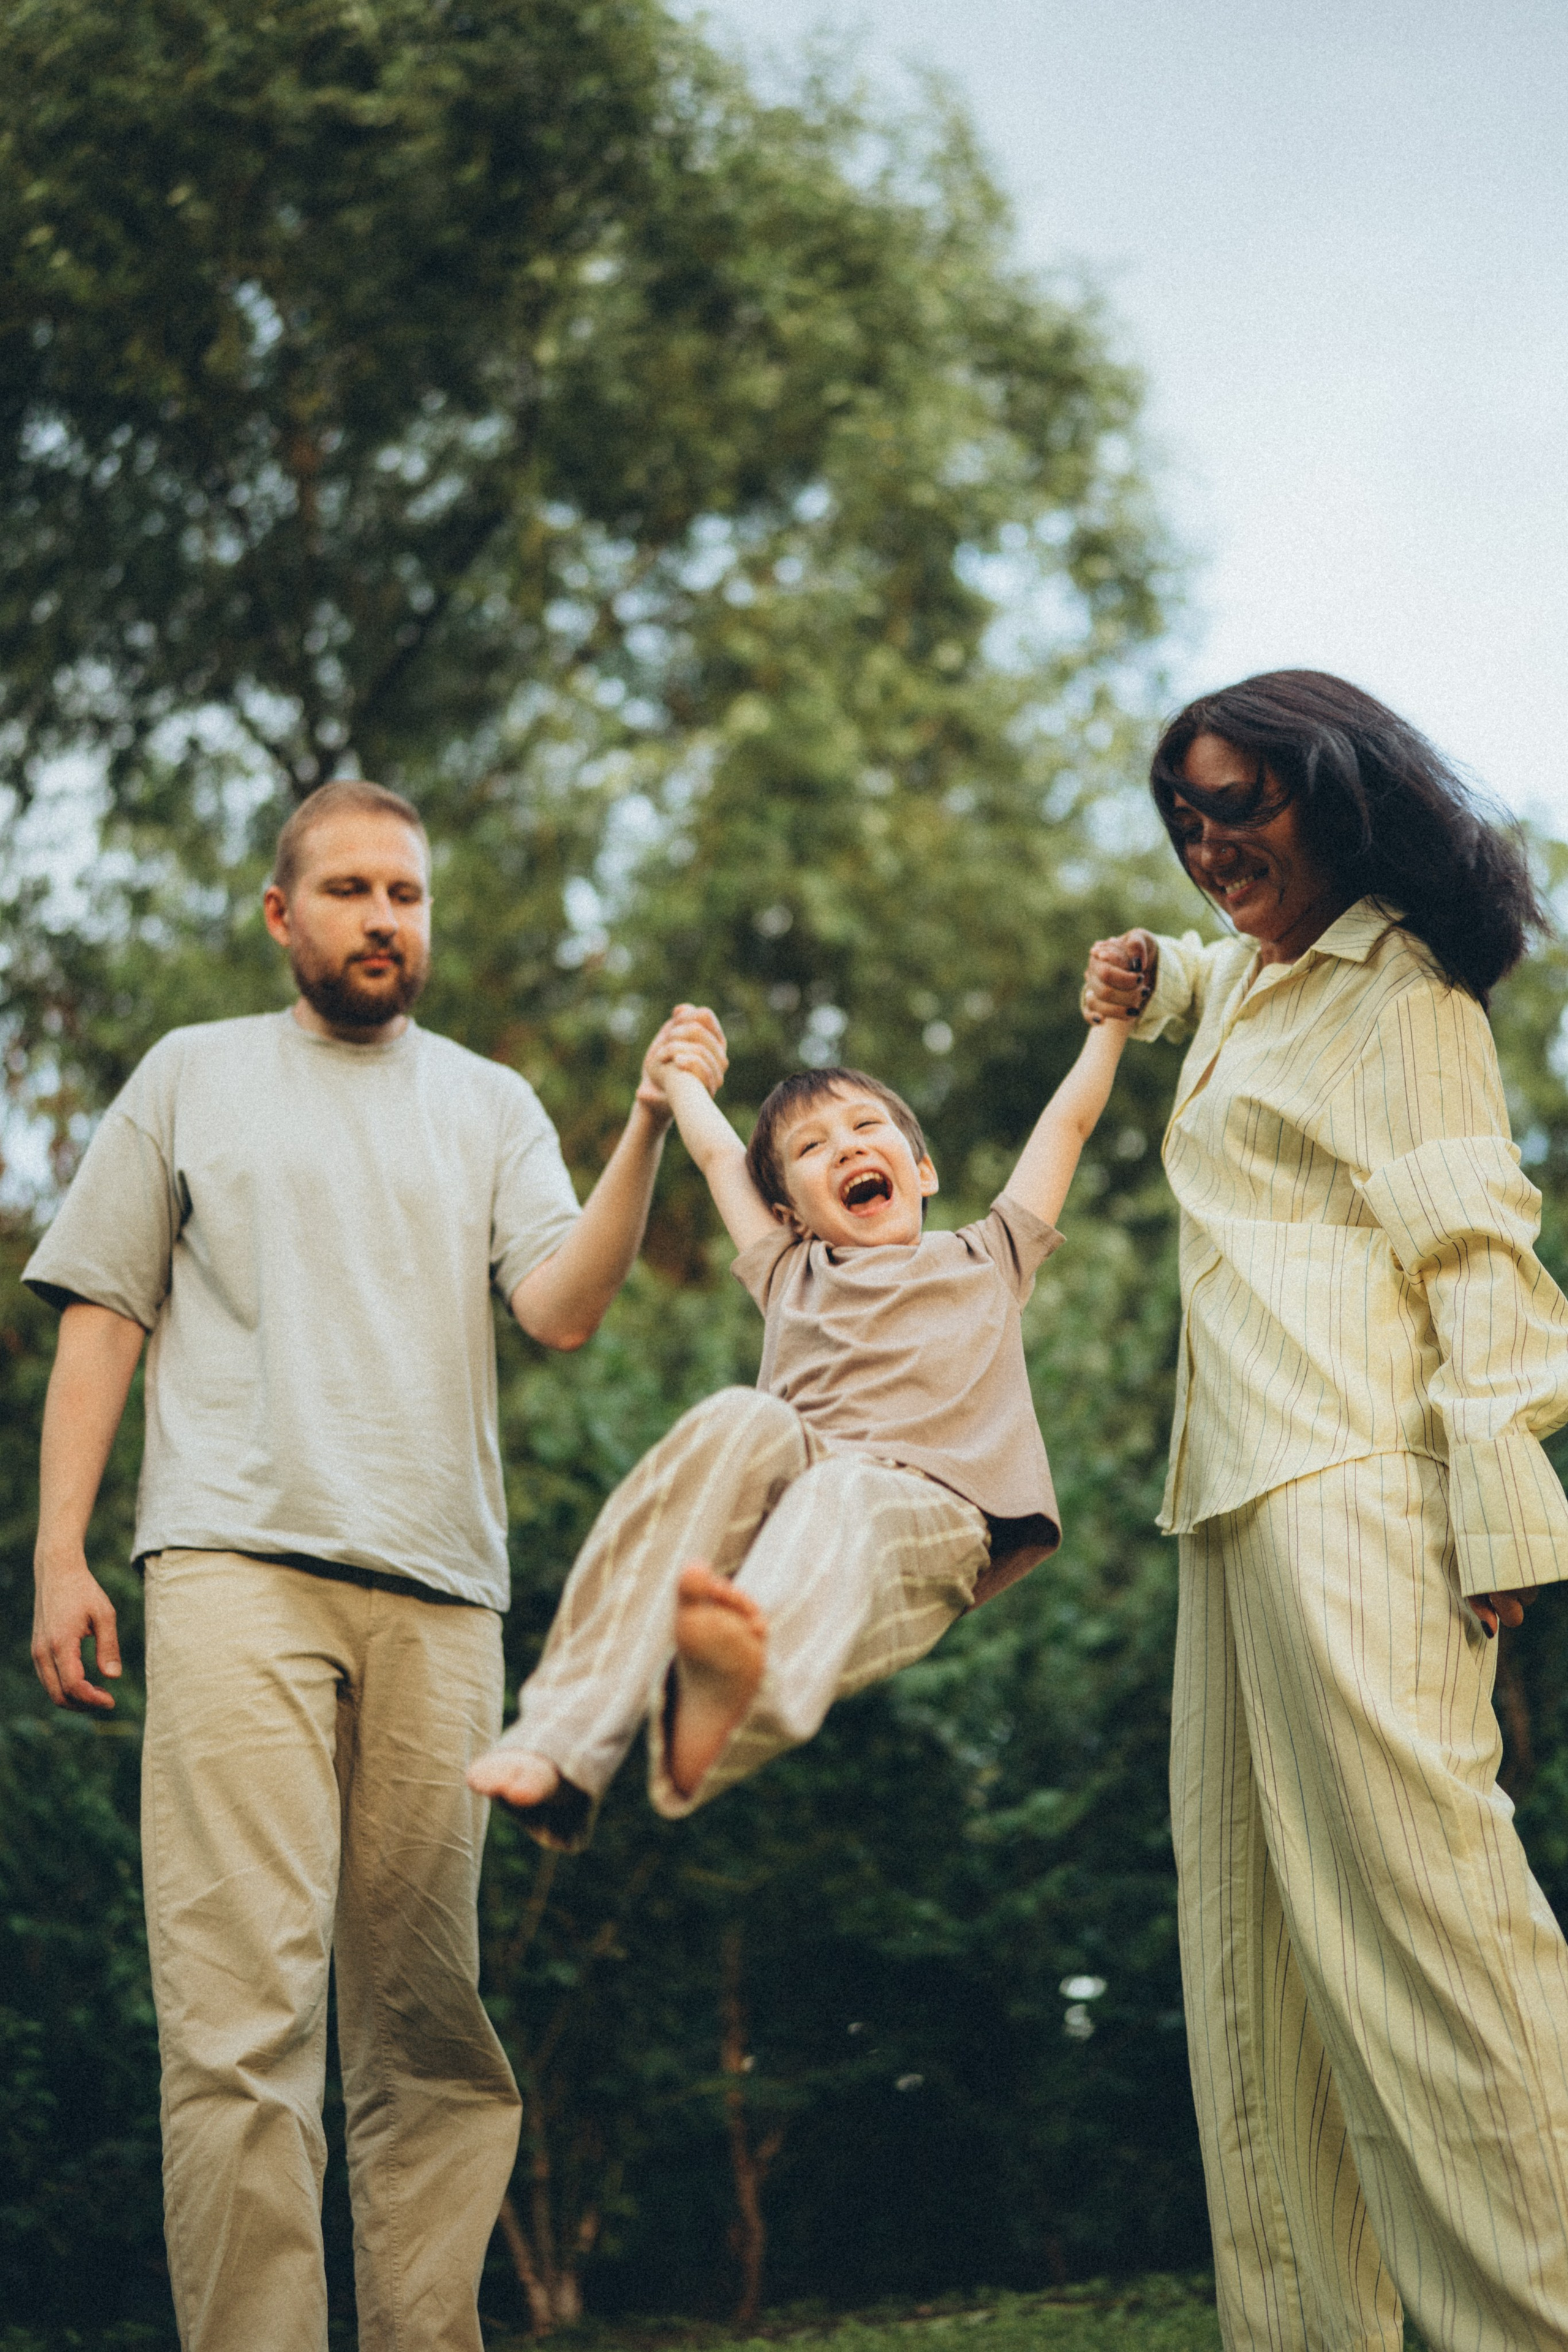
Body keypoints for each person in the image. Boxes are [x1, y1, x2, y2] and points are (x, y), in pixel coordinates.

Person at [24, 777, 727, 2352]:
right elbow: (104, 1312)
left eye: (404, 896)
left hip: (440, 1593)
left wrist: (640, 1129)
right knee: (239, 2021)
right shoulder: (191, 1077)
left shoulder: (484, 1103)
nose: (381, 920)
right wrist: (60, 1552)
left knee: (426, 2025)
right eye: (347, 892)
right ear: (283, 915)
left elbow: (559, 1307)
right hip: (231, 1569)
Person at [1082, 670, 1568, 2352]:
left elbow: (1478, 1253)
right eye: (1189, 819)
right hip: (1226, 1506)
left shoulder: (1409, 996)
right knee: (1261, 1975)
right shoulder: (1256, 987)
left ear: (1337, 797)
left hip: (1354, 1490)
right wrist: (1156, 984)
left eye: (1246, 805)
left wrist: (1502, 1517)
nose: (1214, 844)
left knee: (1439, 1948)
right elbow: (1231, 995)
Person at [469, 1017, 1128, 1846]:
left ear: (921, 1170)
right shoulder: (791, 1271)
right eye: (813, 1148)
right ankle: (563, 1740)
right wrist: (676, 1082)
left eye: (864, 1128)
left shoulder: (989, 1255)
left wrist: (1110, 1026)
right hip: (803, 1495)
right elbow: (715, 1154)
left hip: (932, 1513)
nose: (847, 1149)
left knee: (844, 1489)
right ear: (790, 1213)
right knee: (742, 1416)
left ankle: (738, 1688)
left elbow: (1066, 1121)